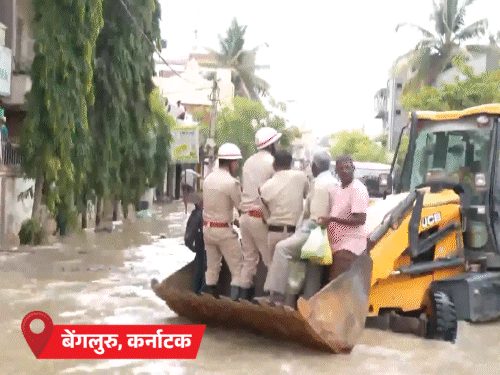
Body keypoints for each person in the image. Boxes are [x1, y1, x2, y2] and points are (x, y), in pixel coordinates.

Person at [264, 150, 338, 306]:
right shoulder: (334, 182)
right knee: (313, 270)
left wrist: (299, 230)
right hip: (330, 234)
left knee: (282, 249)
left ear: (315, 166)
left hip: (315, 231)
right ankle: (308, 305)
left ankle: (276, 294)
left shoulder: (319, 184)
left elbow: (315, 216)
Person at [238, 127, 281, 300]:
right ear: (271, 145)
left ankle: (241, 297)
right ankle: (272, 300)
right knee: (270, 261)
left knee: (249, 260)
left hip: (244, 217)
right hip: (259, 218)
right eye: (276, 142)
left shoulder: (248, 162)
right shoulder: (273, 162)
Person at [202, 143, 243, 300]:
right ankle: (235, 303)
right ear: (231, 163)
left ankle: (209, 299)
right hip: (224, 232)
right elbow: (240, 207)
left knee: (212, 268)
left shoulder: (208, 179)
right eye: (236, 162)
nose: (237, 165)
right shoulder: (231, 183)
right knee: (238, 269)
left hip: (208, 230)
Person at [318, 155, 369, 280]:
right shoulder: (338, 188)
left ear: (353, 168)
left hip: (350, 247)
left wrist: (332, 220)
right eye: (341, 168)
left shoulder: (357, 189)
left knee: (335, 285)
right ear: (336, 171)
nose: (345, 171)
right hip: (336, 245)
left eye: (347, 167)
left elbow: (360, 219)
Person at [259, 150, 309, 264]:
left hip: (274, 233)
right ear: (290, 163)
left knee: (274, 272)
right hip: (294, 234)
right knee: (293, 273)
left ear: (274, 165)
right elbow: (308, 196)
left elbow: (264, 217)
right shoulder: (301, 177)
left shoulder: (264, 188)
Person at [182, 184, 206, 294]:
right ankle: (200, 291)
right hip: (208, 242)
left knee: (201, 266)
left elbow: (188, 239)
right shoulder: (198, 208)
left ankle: (199, 291)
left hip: (204, 244)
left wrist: (194, 247)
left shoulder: (198, 213)